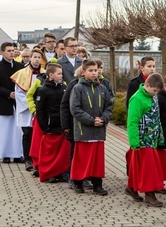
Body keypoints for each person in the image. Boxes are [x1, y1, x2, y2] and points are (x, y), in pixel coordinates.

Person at [69, 59, 113, 195]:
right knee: (82, 158)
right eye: (91, 71)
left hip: (99, 131)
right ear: (83, 72)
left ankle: (97, 184)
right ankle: (77, 182)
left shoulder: (102, 88)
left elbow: (109, 106)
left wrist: (103, 119)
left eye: (96, 70)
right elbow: (75, 109)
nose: (94, 73)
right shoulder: (78, 88)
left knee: (97, 160)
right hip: (84, 131)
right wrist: (91, 120)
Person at [125, 73, 166, 206]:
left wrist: (159, 136)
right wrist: (134, 141)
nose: (155, 93)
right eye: (154, 90)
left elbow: (156, 117)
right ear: (147, 85)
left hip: (152, 139)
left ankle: (131, 188)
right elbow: (132, 121)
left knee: (142, 167)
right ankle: (150, 194)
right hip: (142, 140)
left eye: (157, 91)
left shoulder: (152, 97)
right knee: (148, 169)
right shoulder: (137, 99)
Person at [34, 63, 71, 183]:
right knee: (50, 152)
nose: (61, 76)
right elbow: (40, 111)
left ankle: (61, 172)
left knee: (62, 153)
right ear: (50, 75)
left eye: (61, 74)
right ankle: (49, 173)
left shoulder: (63, 88)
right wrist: (45, 126)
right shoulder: (43, 90)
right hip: (50, 126)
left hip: (62, 125)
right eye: (59, 74)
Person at [0, 42, 24, 164]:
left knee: (17, 130)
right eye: (8, 50)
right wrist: (8, 93)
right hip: (3, 103)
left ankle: (17, 154)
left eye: (13, 50)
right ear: (2, 52)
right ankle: (4, 153)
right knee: (4, 130)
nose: (11, 53)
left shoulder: (20, 67)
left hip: (18, 103)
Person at [11, 48, 44, 171]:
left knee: (39, 134)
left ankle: (39, 158)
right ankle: (27, 159)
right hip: (26, 109)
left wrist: (39, 106)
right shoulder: (22, 73)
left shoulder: (45, 73)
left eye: (39, 57)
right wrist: (31, 106)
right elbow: (18, 93)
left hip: (40, 109)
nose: (36, 59)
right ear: (30, 58)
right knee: (27, 134)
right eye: (34, 57)